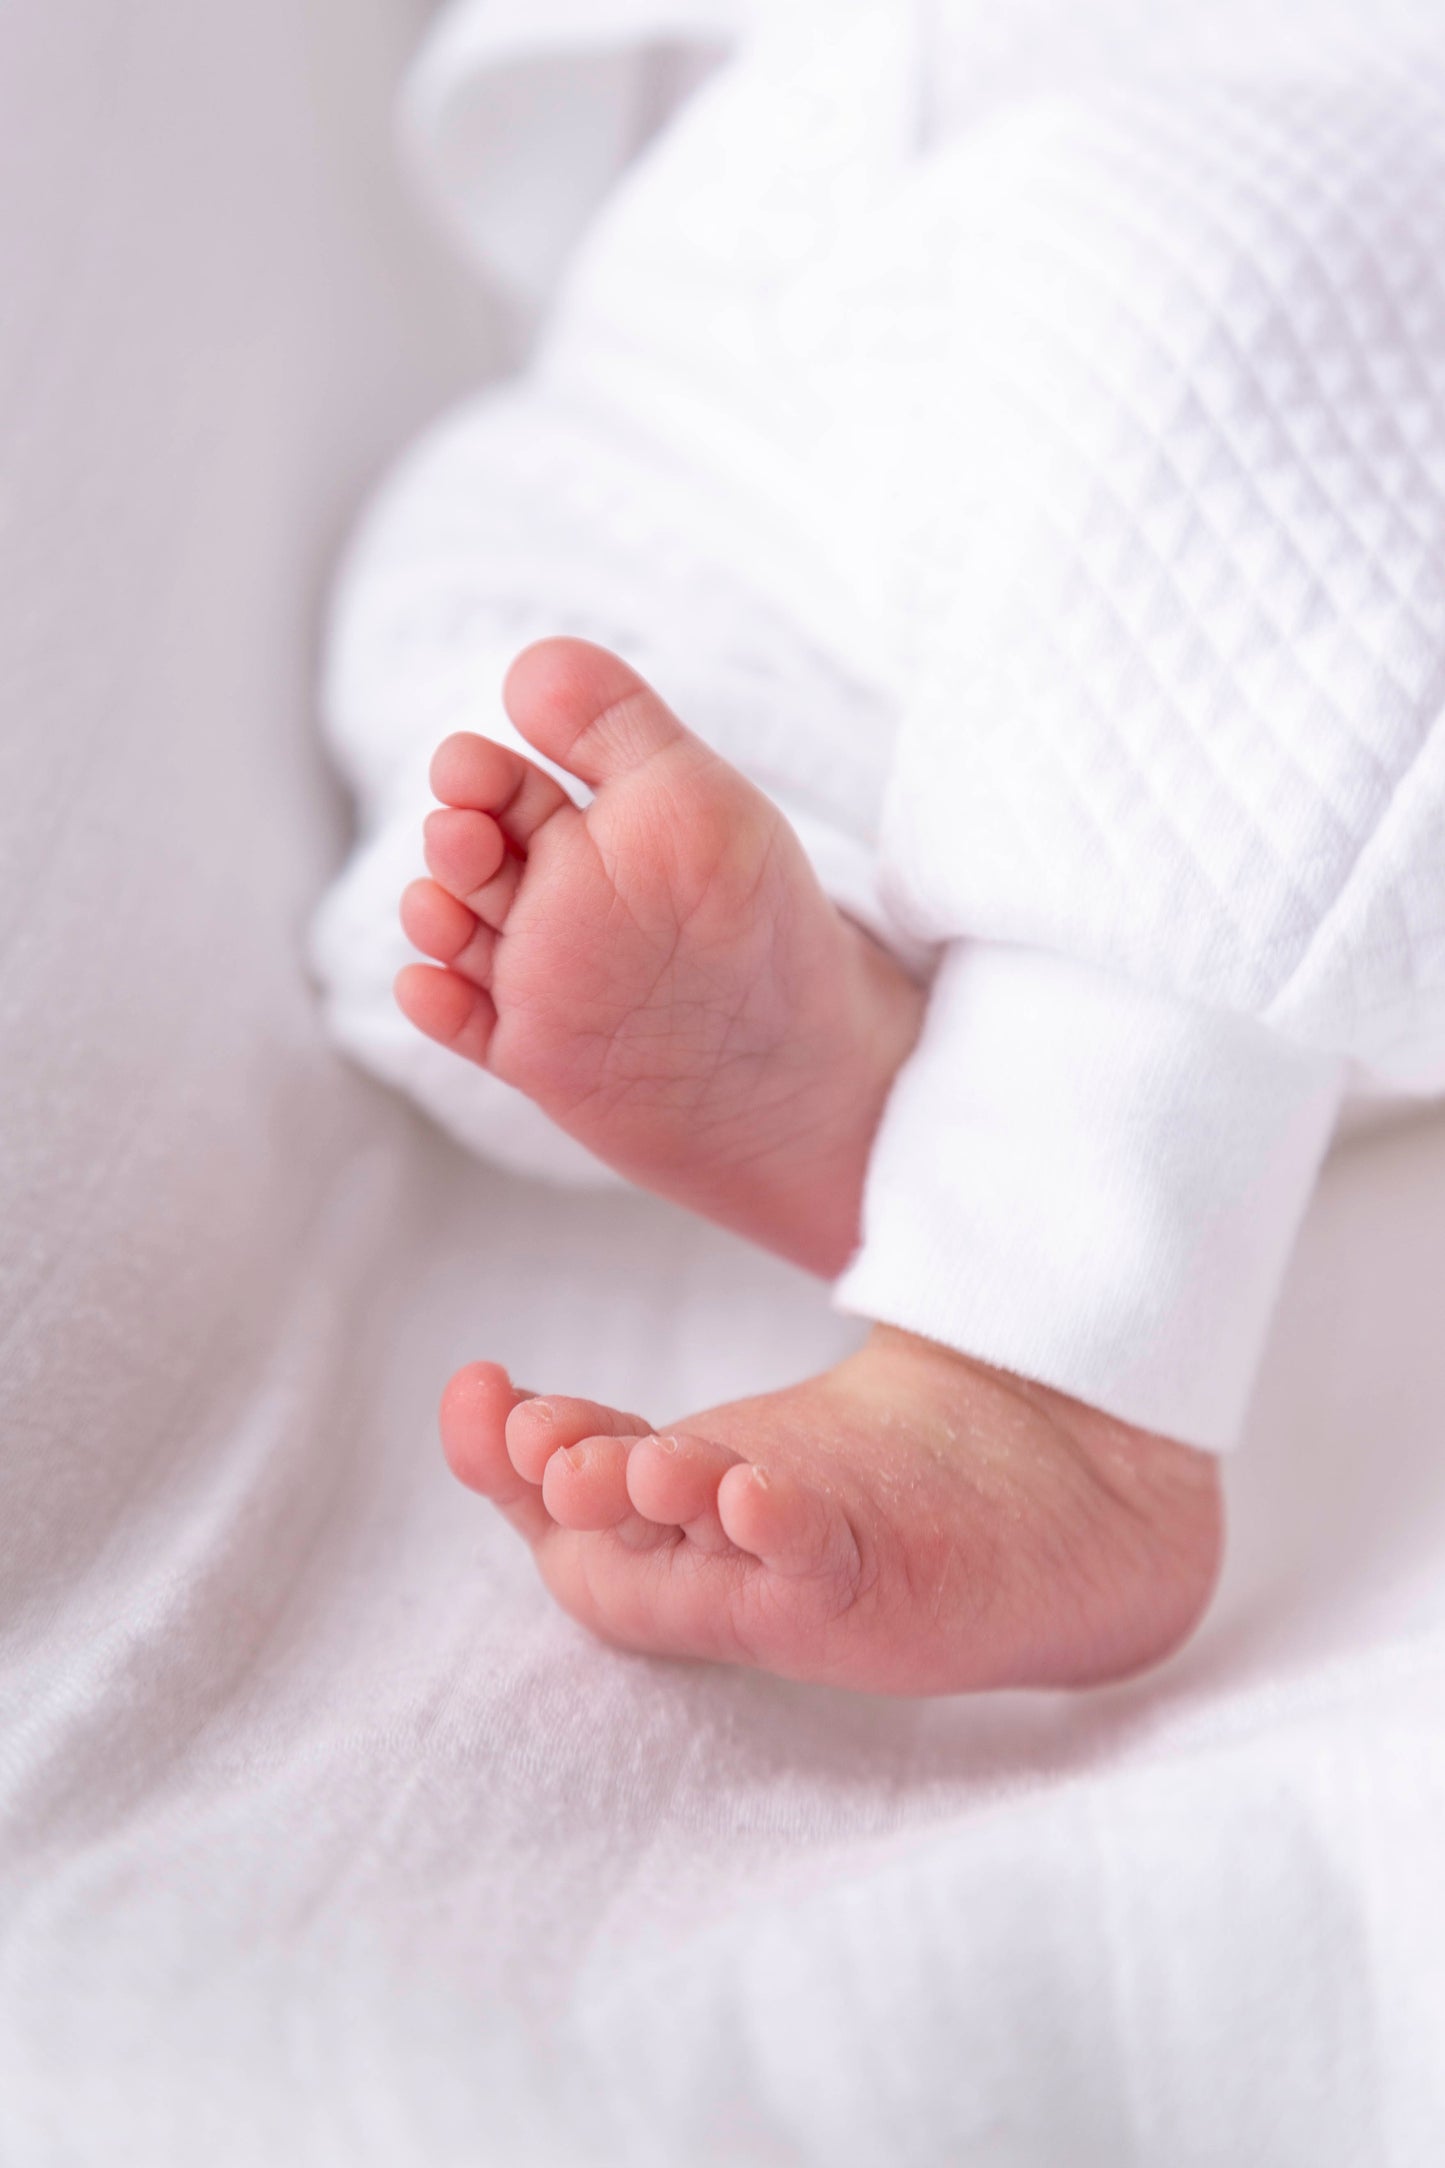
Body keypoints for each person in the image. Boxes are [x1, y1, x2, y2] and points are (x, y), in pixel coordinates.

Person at [314, 0, 1445, 1692]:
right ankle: (872, 1029)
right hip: (773, 252)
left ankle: (1056, 1343)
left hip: (1272, 153)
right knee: (486, 636)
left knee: (1213, 309)